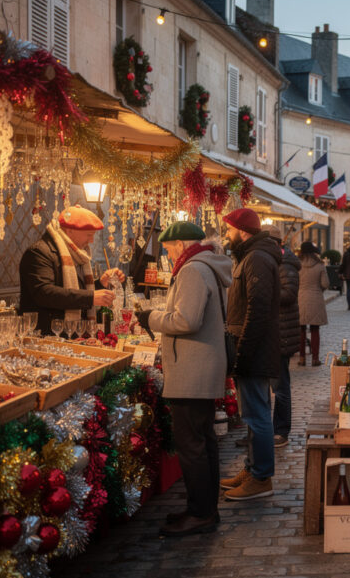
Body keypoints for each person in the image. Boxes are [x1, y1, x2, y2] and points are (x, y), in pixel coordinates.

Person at [135, 221, 232, 536]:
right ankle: (202, 508)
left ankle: (202, 513)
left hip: (193, 367)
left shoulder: (192, 270)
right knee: (203, 442)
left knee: (192, 445)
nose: (165, 251)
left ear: (180, 244)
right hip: (201, 364)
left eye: (168, 246)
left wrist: (151, 317)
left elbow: (187, 320)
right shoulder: (208, 266)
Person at [220, 208, 281, 501]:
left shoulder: (256, 258)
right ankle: (253, 468)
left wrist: (243, 350)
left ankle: (261, 477)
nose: (226, 235)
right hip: (252, 346)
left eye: (229, 230)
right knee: (252, 414)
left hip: (255, 349)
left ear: (242, 230)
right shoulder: (250, 256)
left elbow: (256, 311)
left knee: (257, 416)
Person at [19, 205, 125, 335]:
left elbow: (77, 291)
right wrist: (91, 297)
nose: (91, 241)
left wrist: (100, 284)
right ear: (69, 231)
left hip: (73, 335)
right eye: (89, 235)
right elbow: (44, 293)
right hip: (46, 336)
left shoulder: (77, 255)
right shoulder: (39, 252)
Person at [269, 225, 299, 448]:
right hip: (273, 330)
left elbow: (288, 294)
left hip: (282, 331)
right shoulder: (272, 261)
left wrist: (263, 291)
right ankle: (259, 432)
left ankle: (281, 430)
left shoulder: (286, 264)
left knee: (280, 386)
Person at [297, 241, 330, 367]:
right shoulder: (320, 265)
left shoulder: (297, 264)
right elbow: (325, 284)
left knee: (301, 330)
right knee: (315, 330)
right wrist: (318, 290)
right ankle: (315, 358)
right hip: (316, 298)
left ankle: (301, 358)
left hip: (300, 298)